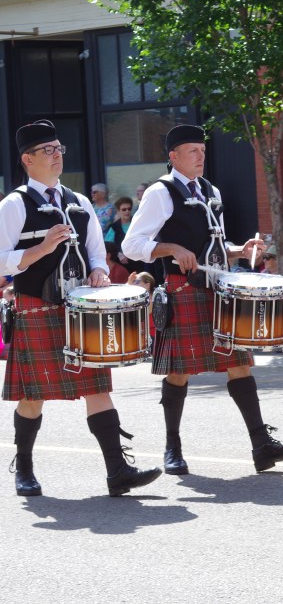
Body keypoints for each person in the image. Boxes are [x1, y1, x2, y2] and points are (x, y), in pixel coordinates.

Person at [122, 124, 283, 476]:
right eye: (192, 151)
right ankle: (172, 448)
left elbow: (214, 248)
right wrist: (171, 248)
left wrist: (240, 250)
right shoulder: (161, 193)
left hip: (219, 289)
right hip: (184, 288)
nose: (200, 156)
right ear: (173, 156)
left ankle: (261, 446)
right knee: (180, 371)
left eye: (203, 150)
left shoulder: (210, 190)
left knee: (240, 363)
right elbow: (132, 246)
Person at [2, 120, 161, 497]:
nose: (57, 156)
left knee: (96, 387)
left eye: (60, 149)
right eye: (49, 151)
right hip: (36, 307)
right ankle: (23, 466)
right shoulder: (14, 204)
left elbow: (95, 252)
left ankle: (117, 470)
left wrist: (99, 272)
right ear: (28, 159)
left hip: (80, 310)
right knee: (34, 393)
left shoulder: (79, 202)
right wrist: (40, 249)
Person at [105, 196, 145, 274]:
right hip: (121, 266)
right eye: (124, 209)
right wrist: (118, 254)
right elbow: (107, 246)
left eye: (129, 209)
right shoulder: (114, 227)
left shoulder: (138, 224)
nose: (127, 211)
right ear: (118, 211)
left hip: (139, 263)